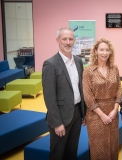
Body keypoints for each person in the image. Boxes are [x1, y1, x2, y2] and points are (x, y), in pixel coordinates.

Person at [42, 27, 86, 160]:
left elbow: (81, 88)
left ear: (74, 41)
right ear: (58, 40)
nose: (68, 42)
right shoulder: (50, 64)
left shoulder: (78, 61)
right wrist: (57, 123)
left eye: (71, 39)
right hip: (60, 117)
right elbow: (49, 96)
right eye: (64, 39)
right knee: (57, 154)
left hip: (77, 113)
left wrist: (83, 113)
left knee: (71, 153)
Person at [82, 38, 122, 160]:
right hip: (95, 114)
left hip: (112, 112)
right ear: (95, 51)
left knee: (112, 144)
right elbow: (87, 95)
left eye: (107, 50)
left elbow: (119, 89)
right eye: (101, 50)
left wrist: (115, 109)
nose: (104, 53)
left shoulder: (114, 68)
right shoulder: (88, 71)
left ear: (110, 52)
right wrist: (101, 114)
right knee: (98, 146)